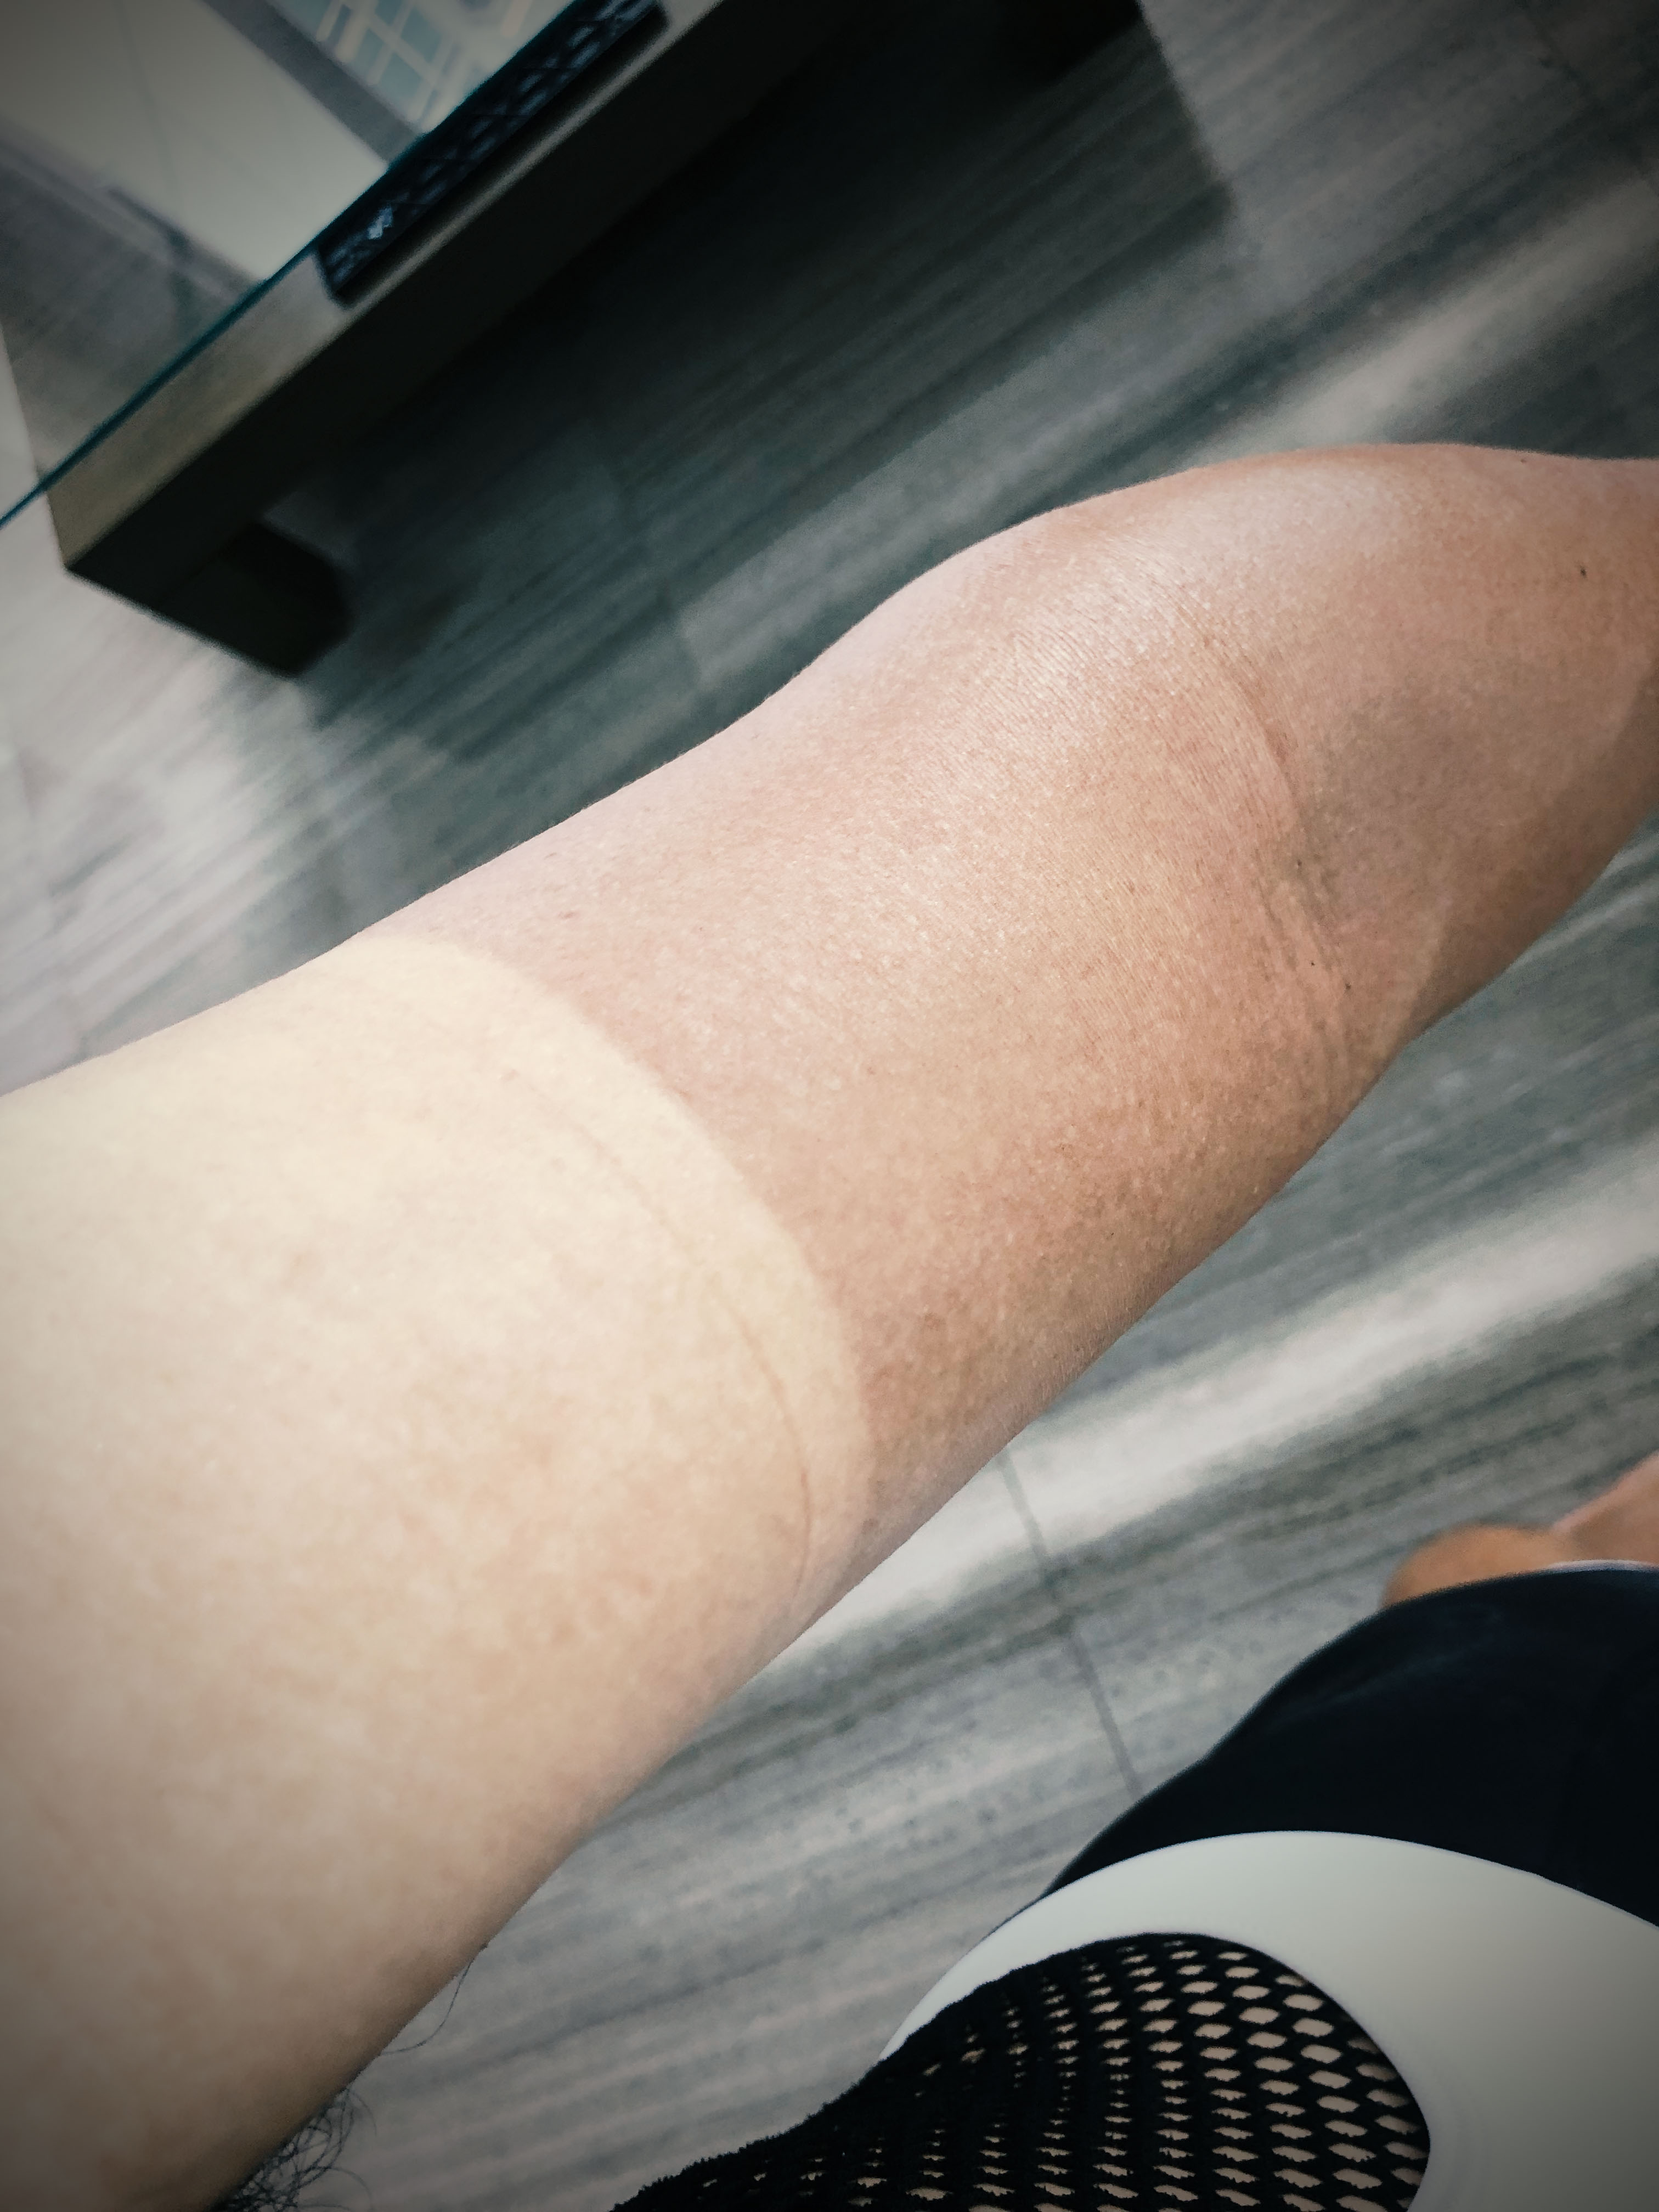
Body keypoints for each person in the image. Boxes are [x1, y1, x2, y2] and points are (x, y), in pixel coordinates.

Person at [1, 443, 1656, 2212]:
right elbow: (1244, 769)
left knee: (1493, 1603)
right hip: (1417, 1991)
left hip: (1292, 1966)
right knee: (1519, 1613)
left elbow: (1246, 770)